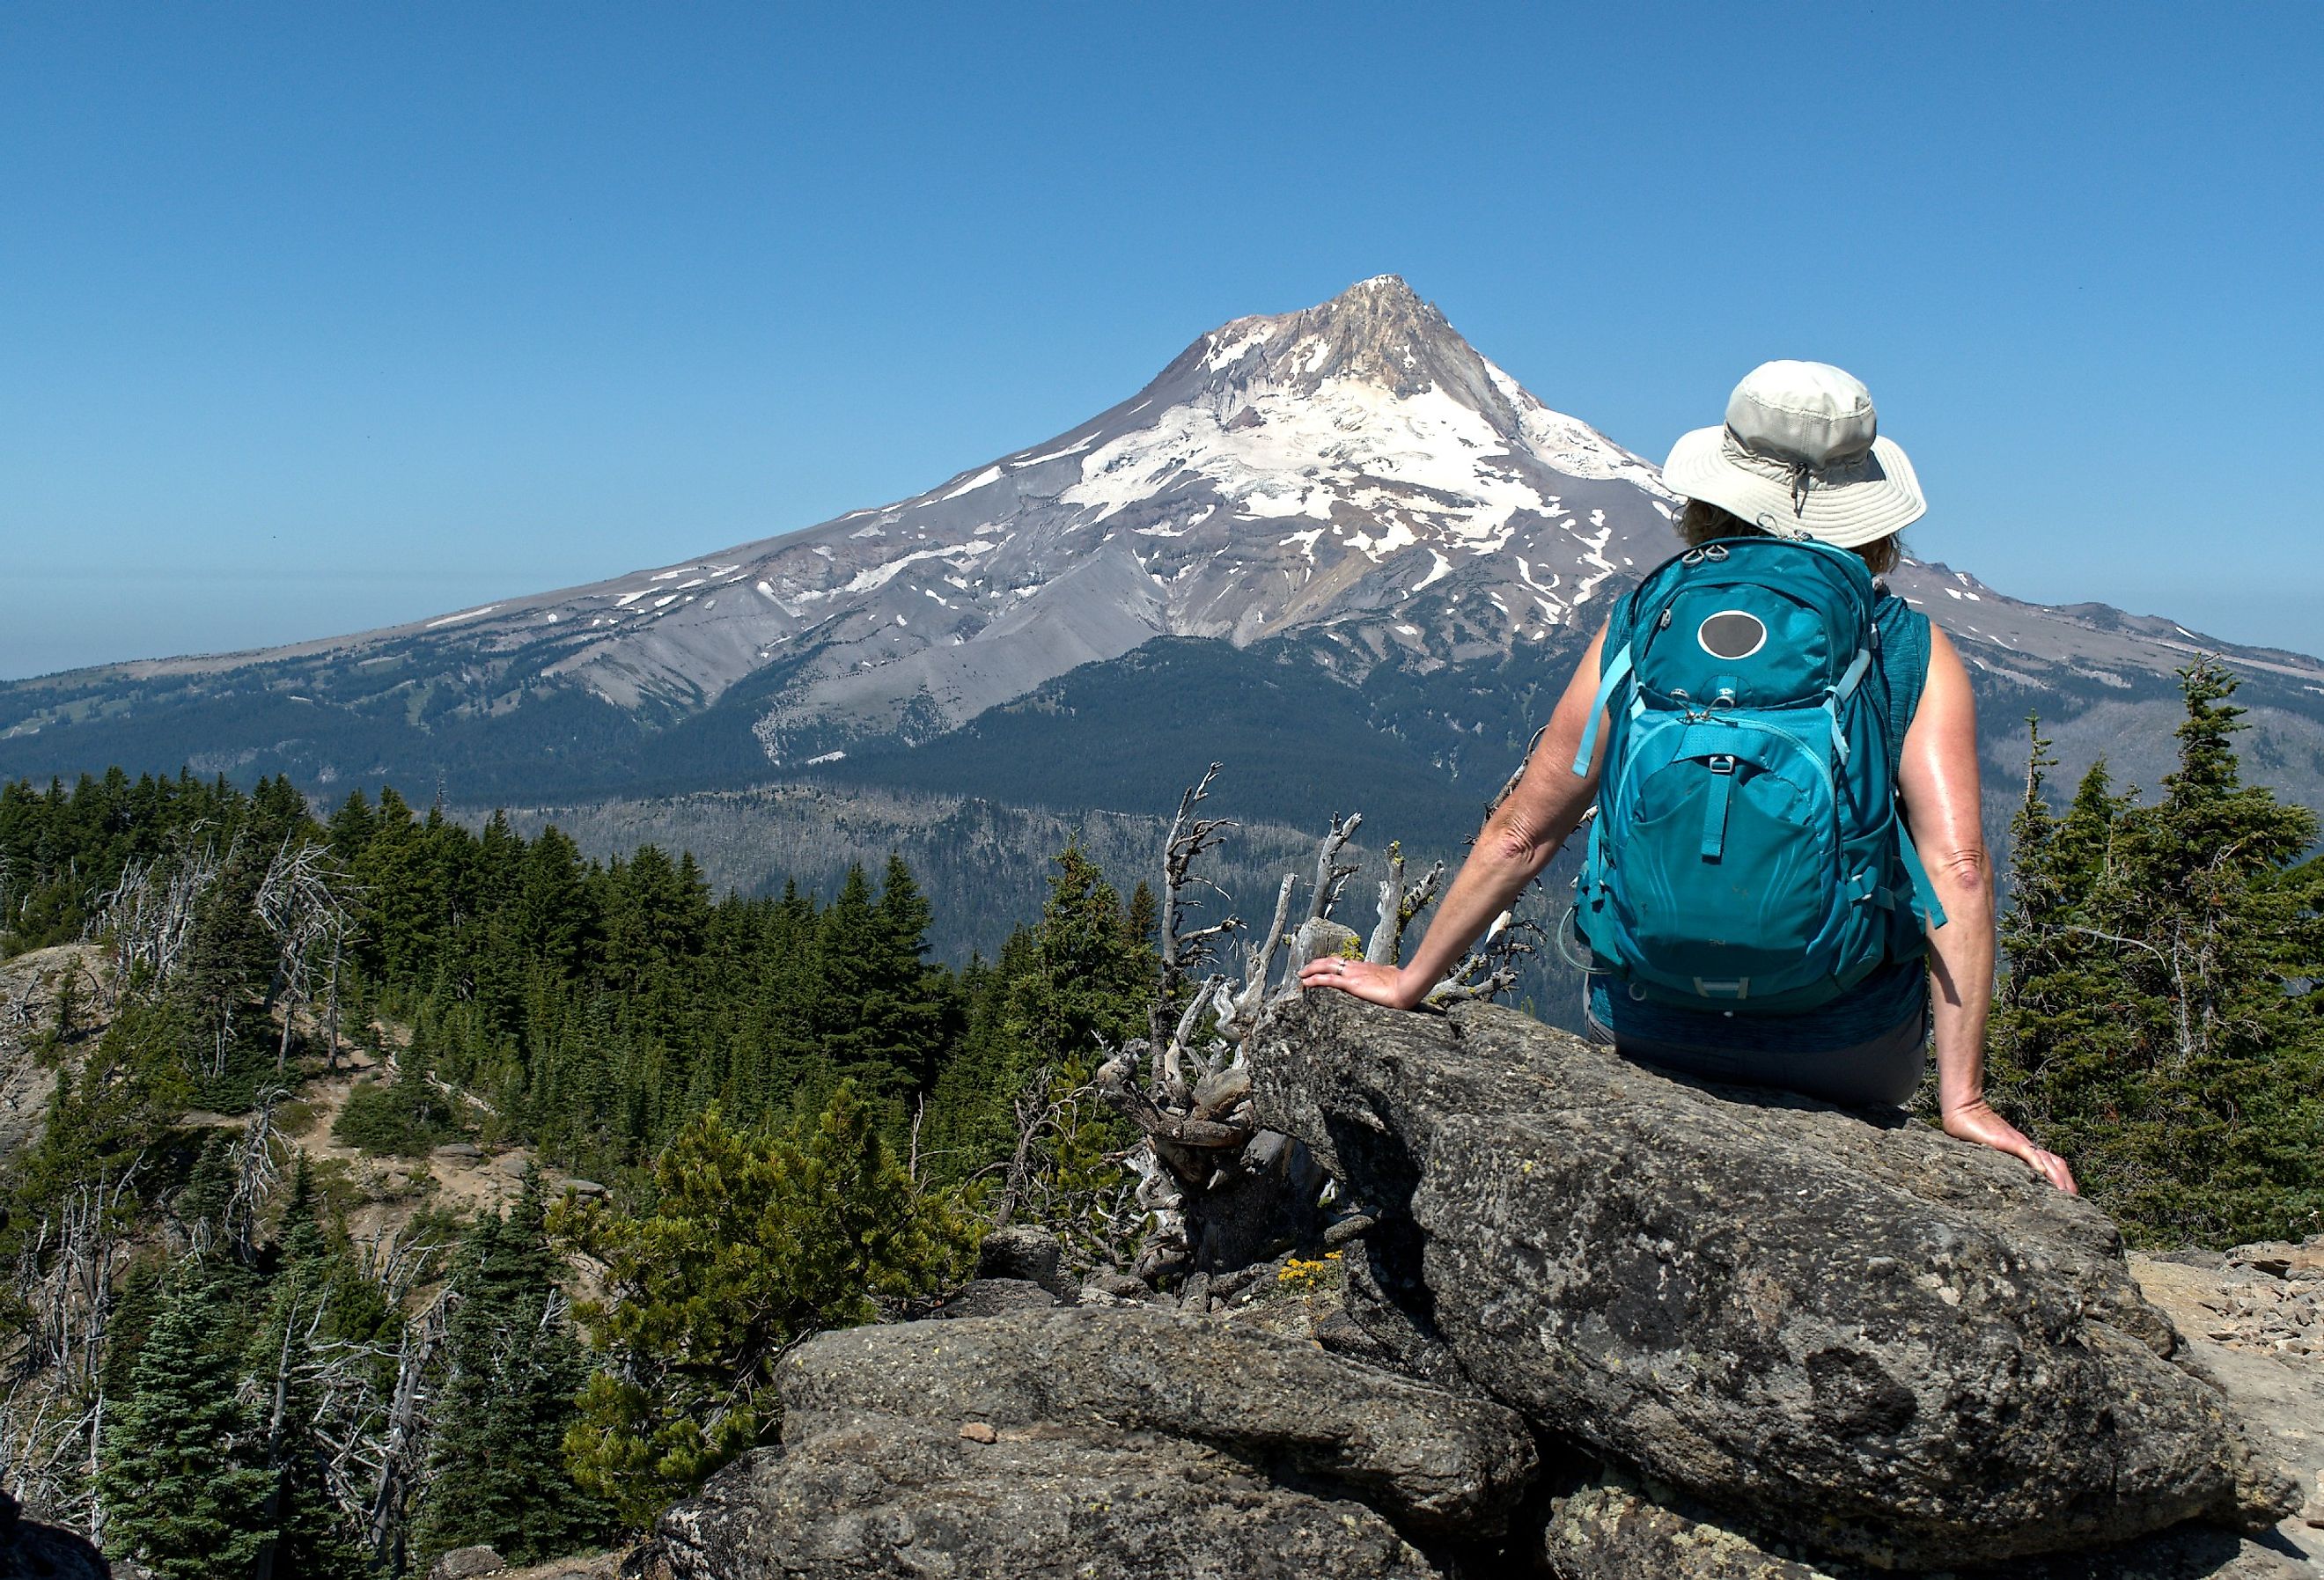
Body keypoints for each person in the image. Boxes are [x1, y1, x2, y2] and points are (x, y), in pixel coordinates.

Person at [1299, 360, 2077, 1194]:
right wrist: (1963, 1099)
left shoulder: (1645, 622)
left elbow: (1525, 830)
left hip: (1647, 1022)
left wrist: (1414, 978)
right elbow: (1957, 867)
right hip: (1846, 1050)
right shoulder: (1907, 647)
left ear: (1715, 491)